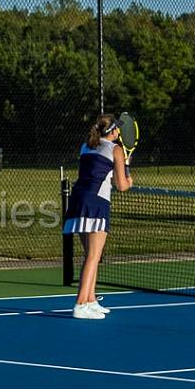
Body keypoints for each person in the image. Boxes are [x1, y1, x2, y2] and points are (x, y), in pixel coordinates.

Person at [62, 114, 133, 319]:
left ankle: (91, 300)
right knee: (93, 257)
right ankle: (80, 304)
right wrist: (129, 179)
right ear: (112, 132)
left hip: (78, 201)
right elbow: (121, 185)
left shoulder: (86, 147)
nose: (120, 132)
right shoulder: (116, 150)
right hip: (96, 204)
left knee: (90, 256)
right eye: (117, 129)